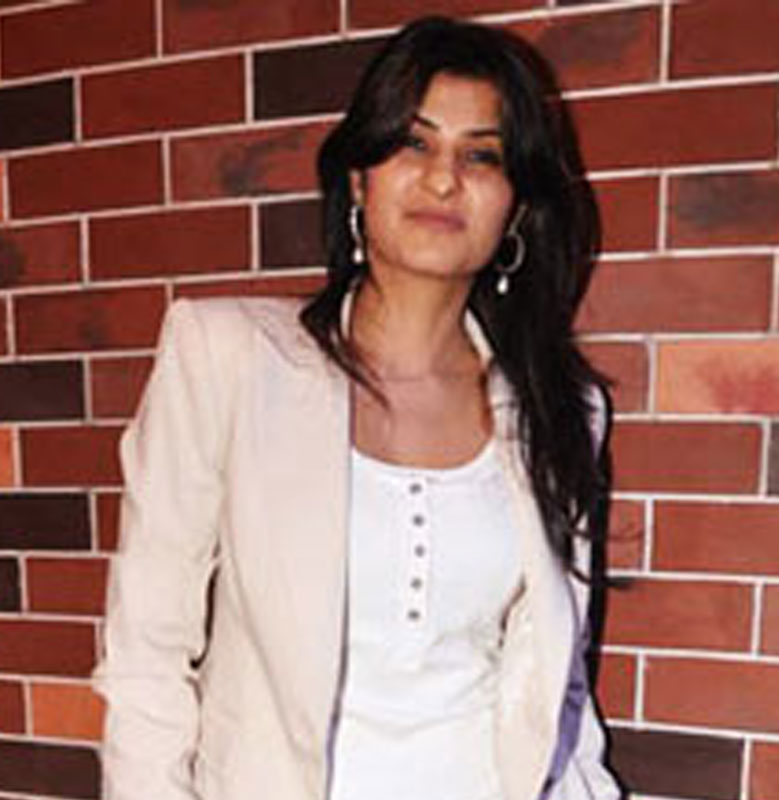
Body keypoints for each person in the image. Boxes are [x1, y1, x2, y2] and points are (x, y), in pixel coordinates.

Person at [94, 15, 621, 800]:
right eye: (413, 143)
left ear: (515, 207)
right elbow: (147, 650)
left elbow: (555, 684)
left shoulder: (560, 407)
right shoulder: (229, 358)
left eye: (482, 155)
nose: (444, 180)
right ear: (358, 179)